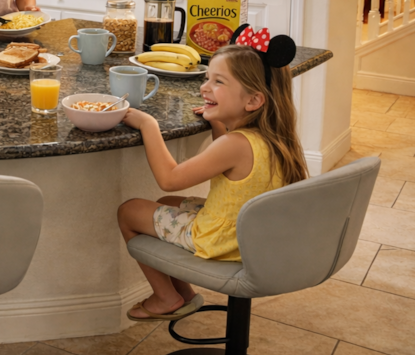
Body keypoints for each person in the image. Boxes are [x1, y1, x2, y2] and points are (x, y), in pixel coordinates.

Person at [116, 31, 307, 321]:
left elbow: (170, 178)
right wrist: (217, 119)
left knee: (129, 211)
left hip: (224, 242)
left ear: (253, 100)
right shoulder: (272, 136)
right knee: (166, 202)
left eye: (218, 82)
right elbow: (227, 157)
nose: (204, 87)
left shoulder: (235, 144)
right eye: (207, 78)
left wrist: (148, 125)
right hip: (254, 234)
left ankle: (166, 297)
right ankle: (183, 295)